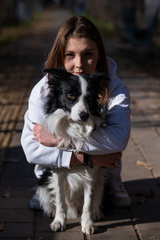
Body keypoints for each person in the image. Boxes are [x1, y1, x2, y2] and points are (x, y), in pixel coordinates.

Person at [21, 16, 131, 209]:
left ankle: (112, 180)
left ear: (99, 55)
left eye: (88, 54)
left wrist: (57, 140)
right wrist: (89, 158)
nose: (79, 64)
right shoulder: (42, 92)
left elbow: (119, 139)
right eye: (70, 55)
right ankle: (45, 185)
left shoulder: (116, 89)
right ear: (59, 54)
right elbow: (32, 151)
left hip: (100, 170)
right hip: (55, 171)